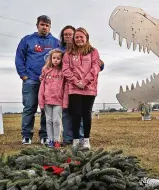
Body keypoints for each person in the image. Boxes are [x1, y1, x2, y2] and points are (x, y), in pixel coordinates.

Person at [56, 25, 104, 146]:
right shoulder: (68, 54)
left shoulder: (94, 52)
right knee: (75, 114)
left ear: (86, 38)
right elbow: (65, 70)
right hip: (74, 88)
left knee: (86, 113)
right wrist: (76, 82)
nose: (79, 39)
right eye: (76, 37)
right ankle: (76, 140)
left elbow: (96, 67)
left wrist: (85, 81)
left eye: (81, 37)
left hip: (89, 88)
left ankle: (86, 140)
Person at [15, 15, 59, 145]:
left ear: (50, 27)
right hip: (31, 80)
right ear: (37, 25)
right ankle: (26, 135)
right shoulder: (27, 40)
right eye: (42, 24)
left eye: (47, 25)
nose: (44, 27)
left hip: (49, 82)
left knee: (46, 108)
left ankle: (45, 135)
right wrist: (23, 75)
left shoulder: (56, 42)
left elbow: (65, 57)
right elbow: (19, 57)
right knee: (29, 108)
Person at [38, 48, 65, 149]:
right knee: (48, 121)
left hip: (58, 101)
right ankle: (50, 140)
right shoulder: (46, 71)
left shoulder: (63, 72)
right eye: (54, 58)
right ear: (50, 59)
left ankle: (57, 140)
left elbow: (65, 88)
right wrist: (41, 102)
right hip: (47, 101)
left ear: (62, 59)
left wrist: (65, 101)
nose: (56, 60)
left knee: (57, 121)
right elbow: (42, 88)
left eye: (58, 58)